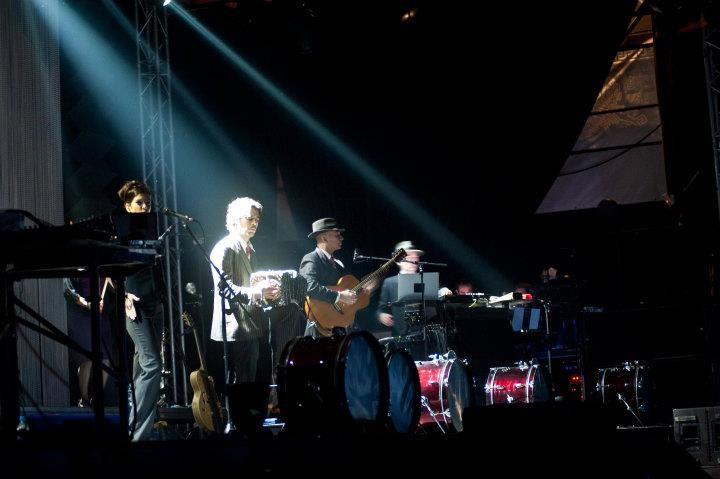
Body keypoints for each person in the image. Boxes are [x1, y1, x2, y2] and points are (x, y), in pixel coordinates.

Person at [210, 197, 280, 385]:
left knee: (249, 379)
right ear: (235, 219)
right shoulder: (225, 247)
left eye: (257, 220)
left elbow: (251, 282)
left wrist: (267, 289)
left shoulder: (249, 248)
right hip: (236, 324)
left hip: (251, 323)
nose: (255, 223)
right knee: (241, 381)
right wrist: (258, 293)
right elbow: (224, 287)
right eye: (250, 219)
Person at [118, 179, 163, 442]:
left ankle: (133, 429)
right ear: (127, 206)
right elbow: (109, 268)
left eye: (148, 203)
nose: (145, 207)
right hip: (134, 303)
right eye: (139, 203)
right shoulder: (121, 231)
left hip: (154, 302)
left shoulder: (151, 228)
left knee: (141, 368)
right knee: (152, 364)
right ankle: (137, 435)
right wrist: (123, 295)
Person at [299, 218, 371, 336]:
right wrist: (339, 296)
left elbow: (348, 290)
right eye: (337, 235)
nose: (342, 238)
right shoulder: (311, 258)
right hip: (319, 327)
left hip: (338, 326)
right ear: (324, 238)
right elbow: (309, 286)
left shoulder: (338, 263)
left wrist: (363, 292)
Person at [375, 241, 425, 337]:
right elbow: (380, 309)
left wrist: (443, 290)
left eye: (416, 257)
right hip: (400, 335)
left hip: (425, 335)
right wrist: (381, 316)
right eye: (409, 257)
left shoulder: (423, 279)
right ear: (398, 260)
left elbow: (439, 290)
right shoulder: (389, 283)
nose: (414, 260)